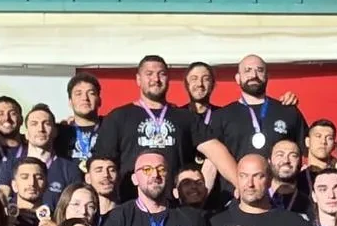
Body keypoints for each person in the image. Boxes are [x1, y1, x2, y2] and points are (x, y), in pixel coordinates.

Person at [92, 55, 239, 201]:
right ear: (138, 79)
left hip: (175, 205)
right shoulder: (118, 117)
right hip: (132, 204)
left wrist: (240, 185)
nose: (156, 79)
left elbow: (216, 151)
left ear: (168, 79)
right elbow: (101, 164)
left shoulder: (185, 117)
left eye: (161, 74)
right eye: (149, 74)